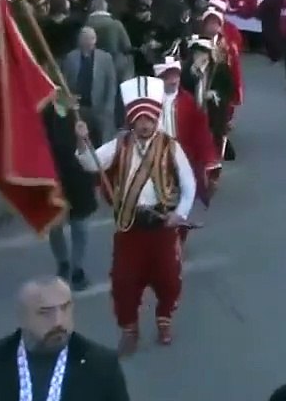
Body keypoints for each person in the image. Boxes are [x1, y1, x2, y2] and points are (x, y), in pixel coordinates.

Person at [75, 77, 197, 353]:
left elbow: (189, 184)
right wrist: (83, 142)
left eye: (149, 119)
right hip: (129, 226)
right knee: (124, 282)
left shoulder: (170, 146)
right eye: (140, 119)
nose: (145, 124)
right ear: (132, 119)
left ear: (156, 119)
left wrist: (180, 214)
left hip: (163, 225)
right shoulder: (120, 145)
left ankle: (164, 319)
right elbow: (88, 162)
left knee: (169, 278)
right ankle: (129, 329)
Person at [0, 277, 129, 401]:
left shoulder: (101, 365)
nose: (58, 321)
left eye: (65, 309)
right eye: (45, 313)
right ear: (22, 318)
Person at [154, 56, 216, 242]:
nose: (173, 81)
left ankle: (179, 238)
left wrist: (207, 159)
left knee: (183, 198)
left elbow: (201, 132)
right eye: (168, 77)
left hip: (182, 158)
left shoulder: (188, 102)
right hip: (156, 158)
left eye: (176, 76)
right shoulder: (151, 102)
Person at [42, 93, 98, 291]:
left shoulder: (86, 117)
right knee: (55, 226)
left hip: (80, 178)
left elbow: (96, 149)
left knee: (80, 226)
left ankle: (77, 268)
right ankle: (63, 262)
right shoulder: (44, 117)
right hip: (54, 178)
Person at [180, 35, 236, 162]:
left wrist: (215, 93)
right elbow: (183, 87)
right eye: (196, 53)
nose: (199, 56)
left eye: (202, 53)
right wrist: (193, 73)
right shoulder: (187, 70)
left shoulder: (219, 68)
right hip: (194, 107)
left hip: (212, 110)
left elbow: (229, 90)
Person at [60, 27, 118, 147]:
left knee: (100, 141)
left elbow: (111, 84)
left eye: (91, 38)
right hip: (78, 108)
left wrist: (109, 107)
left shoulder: (105, 58)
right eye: (85, 38)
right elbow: (64, 82)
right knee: (79, 141)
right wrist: (68, 101)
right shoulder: (70, 58)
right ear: (80, 40)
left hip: (99, 108)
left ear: (95, 40)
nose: (89, 41)